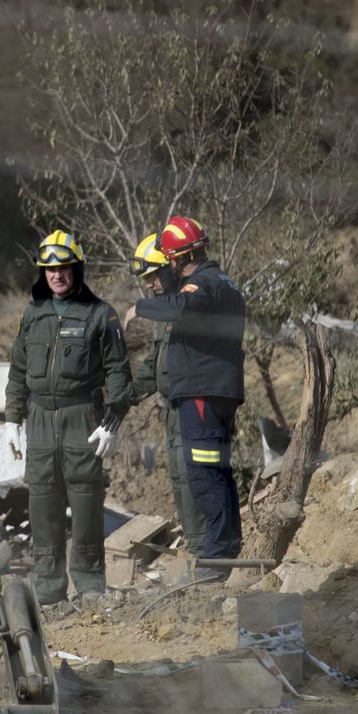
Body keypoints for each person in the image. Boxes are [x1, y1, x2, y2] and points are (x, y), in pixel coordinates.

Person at [4, 230, 133, 604]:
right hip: (40, 418)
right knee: (43, 507)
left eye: (63, 268)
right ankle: (48, 592)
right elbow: (17, 370)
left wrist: (112, 422)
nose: (56, 276)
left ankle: (91, 588)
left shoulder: (100, 314)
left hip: (83, 418)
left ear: (77, 269)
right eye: (49, 269)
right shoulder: (33, 314)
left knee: (86, 504)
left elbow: (118, 373)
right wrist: (12, 420)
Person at [122, 216, 246, 571]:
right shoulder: (225, 283)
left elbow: (181, 306)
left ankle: (217, 556)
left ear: (175, 259)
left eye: (168, 261)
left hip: (203, 394)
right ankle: (227, 550)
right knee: (217, 471)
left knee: (204, 475)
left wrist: (139, 309)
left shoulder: (203, 284)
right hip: (216, 392)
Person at [123, 233, 206, 552]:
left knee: (195, 479)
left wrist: (142, 308)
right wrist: (126, 396)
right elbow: (156, 365)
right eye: (145, 279)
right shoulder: (165, 315)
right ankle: (196, 552)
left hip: (195, 408)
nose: (150, 284)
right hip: (172, 411)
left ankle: (207, 557)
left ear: (172, 267)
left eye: (153, 275)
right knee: (179, 481)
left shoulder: (191, 302)